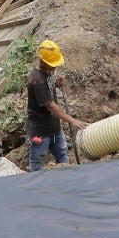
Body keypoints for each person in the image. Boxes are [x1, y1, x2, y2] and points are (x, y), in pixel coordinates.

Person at [26, 39, 87, 172]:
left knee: (62, 154)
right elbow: (51, 106)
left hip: (54, 127)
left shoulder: (48, 72)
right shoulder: (36, 80)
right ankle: (36, 183)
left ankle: (68, 179)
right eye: (52, 65)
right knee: (38, 159)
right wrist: (72, 120)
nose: (55, 67)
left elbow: (50, 85)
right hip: (40, 130)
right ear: (43, 61)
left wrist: (57, 83)